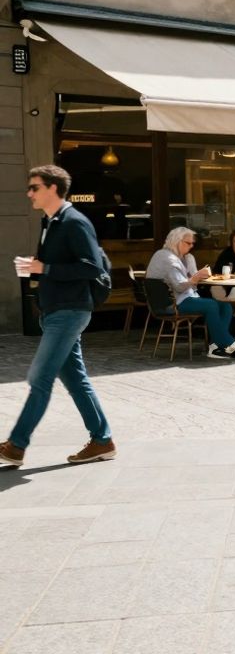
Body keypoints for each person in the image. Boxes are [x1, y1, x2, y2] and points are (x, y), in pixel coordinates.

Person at [1, 165, 116, 468]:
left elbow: (93, 267)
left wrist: (45, 269)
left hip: (70, 311)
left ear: (53, 188)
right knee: (76, 381)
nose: (29, 193)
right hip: (54, 311)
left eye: (34, 187)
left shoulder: (74, 222)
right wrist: (37, 267)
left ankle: (16, 445)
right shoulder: (51, 222)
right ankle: (102, 441)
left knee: (40, 378)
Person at [148, 226, 235, 359]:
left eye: (192, 243)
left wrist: (194, 269)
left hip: (185, 297)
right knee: (211, 305)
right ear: (177, 241)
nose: (191, 246)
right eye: (188, 243)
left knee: (225, 306)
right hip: (172, 302)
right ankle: (229, 343)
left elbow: (191, 284)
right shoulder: (167, 258)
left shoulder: (182, 257)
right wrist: (195, 277)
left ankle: (215, 348)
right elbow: (180, 287)